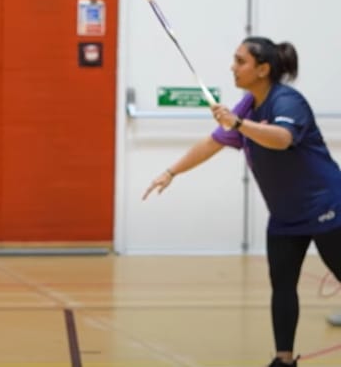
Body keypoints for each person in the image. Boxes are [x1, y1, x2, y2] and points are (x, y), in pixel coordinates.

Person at [143, 37, 341, 367]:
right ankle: (284, 359)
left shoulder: (287, 101)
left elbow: (283, 139)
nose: (232, 68)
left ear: (262, 69)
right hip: (285, 215)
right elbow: (212, 143)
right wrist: (171, 171)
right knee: (282, 286)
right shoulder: (248, 106)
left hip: (326, 206)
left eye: (240, 61)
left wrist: (238, 124)